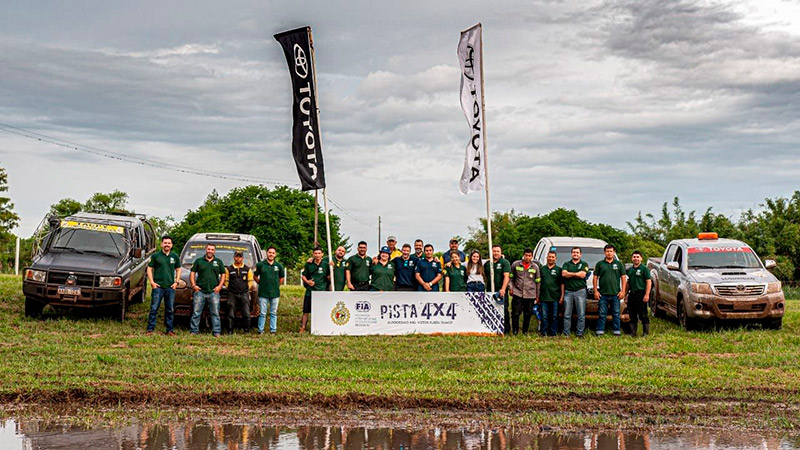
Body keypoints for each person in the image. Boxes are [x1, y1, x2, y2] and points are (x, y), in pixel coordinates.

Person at [146, 235, 181, 336]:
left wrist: (176, 282)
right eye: (165, 243)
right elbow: (149, 269)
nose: (167, 245)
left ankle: (169, 330)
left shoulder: (175, 256)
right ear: (161, 244)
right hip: (158, 287)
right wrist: (152, 282)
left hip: (170, 287)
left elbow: (178, 269)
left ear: (171, 245)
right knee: (154, 308)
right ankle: (150, 329)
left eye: (169, 243)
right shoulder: (155, 256)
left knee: (170, 309)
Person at [189, 243, 226, 337]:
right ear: (206, 250)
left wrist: (219, 286)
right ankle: (194, 331)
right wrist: (194, 285)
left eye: (212, 249)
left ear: (215, 251)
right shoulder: (198, 261)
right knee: (196, 312)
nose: (210, 251)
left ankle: (216, 332)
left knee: (215, 313)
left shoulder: (219, 262)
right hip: (200, 291)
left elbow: (223, 275)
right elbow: (192, 273)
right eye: (209, 249)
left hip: (214, 292)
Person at [593, 244, 628, 336]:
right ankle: (600, 330)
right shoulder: (600, 264)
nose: (609, 253)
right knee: (602, 313)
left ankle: (616, 331)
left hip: (615, 294)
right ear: (604, 252)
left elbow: (623, 278)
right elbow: (595, 277)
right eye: (607, 251)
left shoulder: (619, 264)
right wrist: (596, 291)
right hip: (603, 294)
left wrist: (623, 291)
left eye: (611, 251)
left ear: (614, 252)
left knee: (616, 313)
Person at [508, 248, 540, 335]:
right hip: (517, 293)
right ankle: (515, 331)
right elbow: (510, 278)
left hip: (530, 294)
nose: (527, 257)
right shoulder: (515, 264)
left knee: (528, 313)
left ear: (532, 257)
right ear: (523, 255)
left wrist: (537, 295)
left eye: (529, 256)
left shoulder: (535, 267)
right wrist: (510, 288)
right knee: (515, 313)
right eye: (526, 255)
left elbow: (537, 282)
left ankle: (525, 331)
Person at [253, 246, 284, 334]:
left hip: (275, 293)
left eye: (273, 253)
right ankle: (260, 330)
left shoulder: (279, 266)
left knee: (273, 312)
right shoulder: (260, 265)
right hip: (263, 293)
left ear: (275, 254)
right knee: (262, 313)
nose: (271, 254)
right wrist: (261, 283)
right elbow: (255, 276)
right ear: (266, 253)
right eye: (270, 252)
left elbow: (281, 278)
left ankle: (273, 330)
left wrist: (277, 286)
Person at [561, 247, 590, 337]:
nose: (575, 254)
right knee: (567, 314)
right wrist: (576, 274)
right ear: (571, 254)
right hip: (568, 292)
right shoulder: (566, 264)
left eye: (577, 252)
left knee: (581, 314)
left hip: (580, 291)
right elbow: (563, 274)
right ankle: (566, 333)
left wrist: (570, 274)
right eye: (574, 252)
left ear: (580, 254)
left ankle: (580, 333)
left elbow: (583, 275)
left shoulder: (584, 264)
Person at [300, 247, 330, 333]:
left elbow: (328, 276)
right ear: (313, 254)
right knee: (306, 311)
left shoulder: (326, 264)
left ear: (322, 254)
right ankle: (303, 327)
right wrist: (308, 282)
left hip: (321, 292)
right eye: (315, 253)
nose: (317, 255)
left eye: (319, 253)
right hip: (310, 292)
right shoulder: (309, 264)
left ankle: (321, 326)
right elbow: (303, 275)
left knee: (321, 310)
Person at [224, 251, 254, 334]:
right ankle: (230, 331)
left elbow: (250, 281)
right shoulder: (229, 269)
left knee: (246, 313)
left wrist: (246, 289)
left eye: (240, 257)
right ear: (234, 257)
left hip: (244, 293)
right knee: (231, 314)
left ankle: (246, 331)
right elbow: (226, 281)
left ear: (242, 258)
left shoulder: (247, 269)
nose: (238, 258)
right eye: (237, 256)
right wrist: (230, 289)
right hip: (232, 294)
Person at [484, 244, 511, 333]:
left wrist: (503, 289)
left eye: (497, 251)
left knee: (504, 309)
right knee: (491, 308)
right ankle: (492, 328)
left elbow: (506, 276)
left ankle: (506, 330)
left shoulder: (505, 262)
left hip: (501, 290)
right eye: (494, 251)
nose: (496, 253)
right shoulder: (488, 264)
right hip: (490, 290)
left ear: (501, 252)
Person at [538, 250, 564, 337]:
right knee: (544, 316)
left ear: (556, 259)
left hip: (555, 297)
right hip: (544, 297)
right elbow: (538, 283)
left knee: (554, 316)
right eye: (549, 257)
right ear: (547, 258)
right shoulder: (542, 269)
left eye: (553, 257)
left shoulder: (559, 270)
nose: (551, 258)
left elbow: (562, 284)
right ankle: (544, 332)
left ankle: (553, 333)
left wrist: (562, 296)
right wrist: (537, 296)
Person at [627, 250, 652, 336]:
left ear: (641, 258)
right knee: (632, 314)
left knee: (643, 314)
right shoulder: (630, 270)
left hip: (641, 293)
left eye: (638, 257)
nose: (636, 259)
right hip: (632, 294)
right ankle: (633, 332)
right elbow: (628, 283)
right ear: (632, 258)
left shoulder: (644, 269)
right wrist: (626, 294)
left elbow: (649, 282)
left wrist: (647, 294)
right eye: (634, 257)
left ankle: (645, 332)